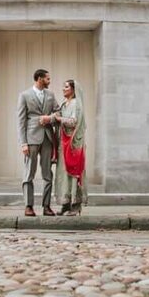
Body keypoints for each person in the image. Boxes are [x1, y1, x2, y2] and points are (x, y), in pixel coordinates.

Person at [16, 68, 58, 216]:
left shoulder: (51, 95)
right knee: (29, 174)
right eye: (47, 78)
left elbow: (58, 112)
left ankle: (46, 206)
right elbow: (21, 121)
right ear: (40, 79)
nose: (49, 81)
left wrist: (50, 118)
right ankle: (28, 206)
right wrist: (23, 143)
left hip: (47, 138)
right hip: (31, 139)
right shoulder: (25, 95)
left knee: (48, 174)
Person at [53, 78, 87, 215]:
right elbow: (58, 117)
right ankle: (65, 203)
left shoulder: (76, 104)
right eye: (63, 87)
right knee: (63, 173)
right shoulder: (64, 104)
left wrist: (59, 119)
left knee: (73, 173)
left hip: (74, 145)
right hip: (63, 144)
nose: (63, 89)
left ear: (73, 90)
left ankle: (75, 204)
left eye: (66, 87)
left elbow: (74, 122)